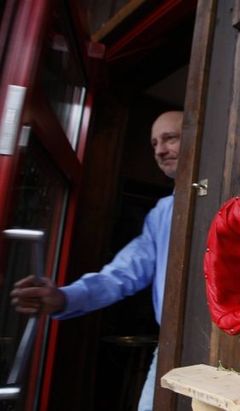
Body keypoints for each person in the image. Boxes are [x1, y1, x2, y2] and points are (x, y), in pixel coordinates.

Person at [10, 110, 183, 411]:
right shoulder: (162, 212)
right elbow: (120, 274)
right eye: (154, 143)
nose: (159, 150)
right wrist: (63, 297)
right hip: (171, 350)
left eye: (170, 138)